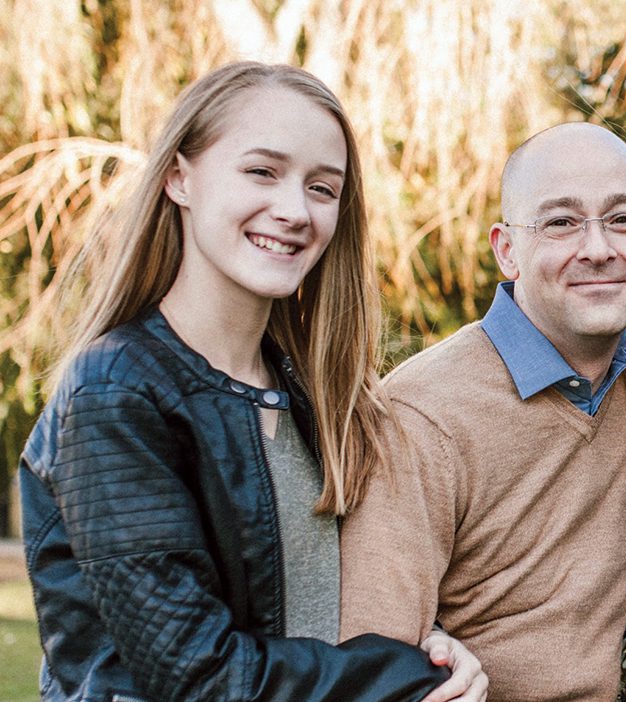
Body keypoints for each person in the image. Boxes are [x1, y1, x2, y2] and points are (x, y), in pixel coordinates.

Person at [19, 62, 484, 701]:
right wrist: (396, 679)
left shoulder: (317, 396)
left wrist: (430, 646)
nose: (294, 209)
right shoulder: (116, 392)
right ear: (180, 178)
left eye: (323, 188)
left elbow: (307, 597)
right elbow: (193, 673)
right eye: (262, 171)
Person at [338, 122, 626, 701]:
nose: (597, 248)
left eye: (622, 219)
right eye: (560, 223)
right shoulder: (422, 414)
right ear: (507, 249)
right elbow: (370, 653)